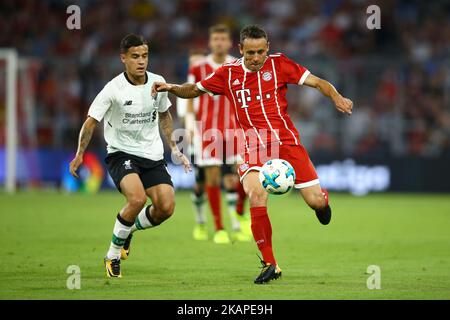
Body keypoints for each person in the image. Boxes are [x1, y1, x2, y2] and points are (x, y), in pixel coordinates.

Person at [152, 25, 353, 284]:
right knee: (256, 194)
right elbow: (195, 89)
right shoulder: (228, 73)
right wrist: (170, 87)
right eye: (250, 53)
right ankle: (270, 264)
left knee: (315, 201)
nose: (256, 58)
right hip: (251, 145)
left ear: (267, 47)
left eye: (260, 52)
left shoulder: (280, 65)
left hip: (287, 142)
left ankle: (322, 202)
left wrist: (336, 96)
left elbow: (317, 82)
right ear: (240, 50)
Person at [69, 34, 191, 278]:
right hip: (121, 153)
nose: (141, 61)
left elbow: (165, 116)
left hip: (153, 155)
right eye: (135, 56)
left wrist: (175, 148)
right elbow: (91, 122)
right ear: (123, 58)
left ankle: (128, 232)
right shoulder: (113, 89)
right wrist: (80, 153)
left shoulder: (158, 83)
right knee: (136, 200)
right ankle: (112, 255)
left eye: (145, 56)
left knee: (166, 208)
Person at [185, 24, 251, 244]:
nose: (219, 42)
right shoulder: (198, 69)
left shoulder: (239, 64)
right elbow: (190, 100)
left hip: (235, 130)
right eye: (216, 39)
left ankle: (241, 214)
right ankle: (220, 228)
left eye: (223, 39)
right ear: (210, 42)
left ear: (230, 42)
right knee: (212, 178)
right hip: (208, 132)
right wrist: (192, 129)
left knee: (242, 176)